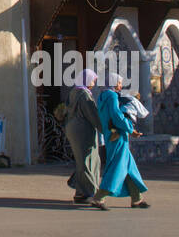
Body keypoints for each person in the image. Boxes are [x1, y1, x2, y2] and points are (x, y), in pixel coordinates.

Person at [90, 74, 149, 210]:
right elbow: (116, 116)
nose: (121, 86)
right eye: (119, 83)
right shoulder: (112, 96)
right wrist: (130, 128)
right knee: (118, 166)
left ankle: (136, 198)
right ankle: (99, 197)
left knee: (128, 166)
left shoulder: (102, 96)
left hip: (111, 134)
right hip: (118, 135)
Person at [62, 69, 104, 204]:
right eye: (92, 80)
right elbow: (92, 114)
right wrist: (105, 129)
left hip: (73, 129)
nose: (93, 83)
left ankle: (81, 192)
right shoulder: (84, 95)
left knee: (82, 161)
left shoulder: (74, 92)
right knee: (89, 160)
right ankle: (90, 193)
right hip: (83, 131)